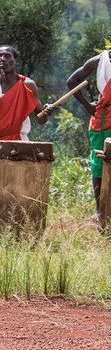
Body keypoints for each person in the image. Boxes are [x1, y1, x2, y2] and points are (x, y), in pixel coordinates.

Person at [0, 45, 51, 222]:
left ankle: (14, 225)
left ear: (15, 61)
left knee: (16, 186)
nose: (3, 59)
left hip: (17, 140)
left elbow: (40, 119)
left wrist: (46, 112)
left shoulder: (27, 84)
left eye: (7, 56)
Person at [67, 43, 111, 227]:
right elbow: (71, 82)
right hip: (103, 120)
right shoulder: (100, 61)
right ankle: (100, 211)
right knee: (99, 163)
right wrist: (87, 105)